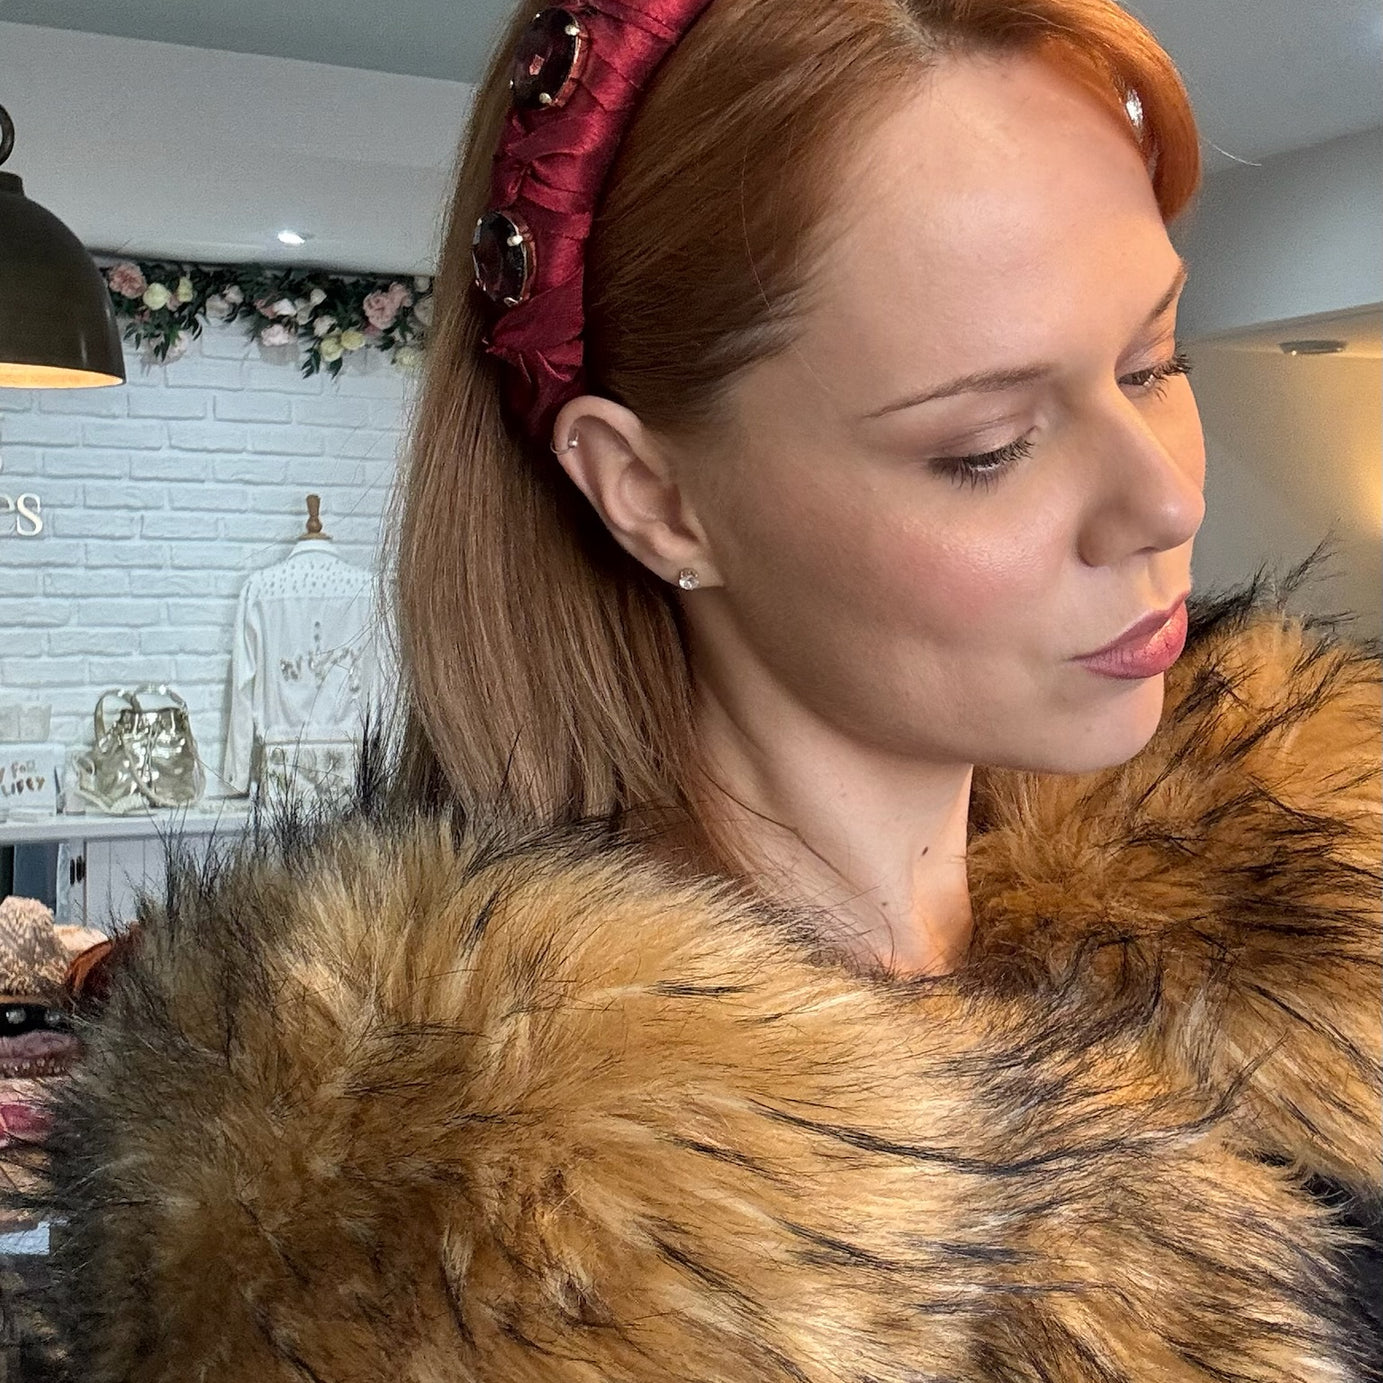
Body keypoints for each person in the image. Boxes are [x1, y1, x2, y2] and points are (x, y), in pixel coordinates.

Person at [8, 0, 1380, 1378]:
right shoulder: (507, 1263)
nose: (1166, 496)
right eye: (988, 446)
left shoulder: (1309, 930)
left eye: (1155, 361)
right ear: (656, 496)